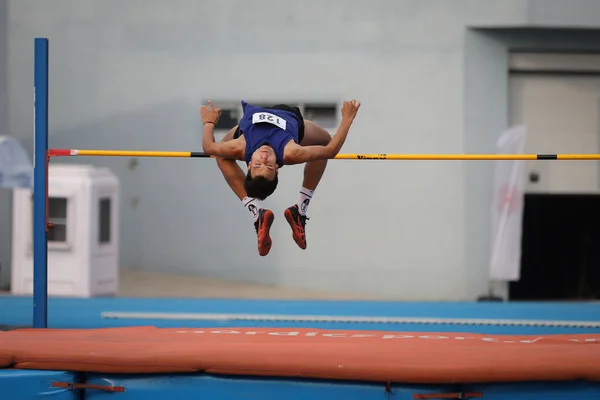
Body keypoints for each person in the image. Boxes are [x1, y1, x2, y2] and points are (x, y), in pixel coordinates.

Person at [200, 99, 361, 256]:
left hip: (250, 124)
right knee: (324, 141)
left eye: (258, 165)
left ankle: (256, 213)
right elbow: (330, 150)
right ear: (277, 168)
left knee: (220, 154)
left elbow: (209, 147)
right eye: (268, 165)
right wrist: (347, 119)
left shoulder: (239, 147)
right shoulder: (290, 152)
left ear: (249, 164)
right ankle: (299, 209)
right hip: (287, 114)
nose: (263, 159)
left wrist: (209, 123)